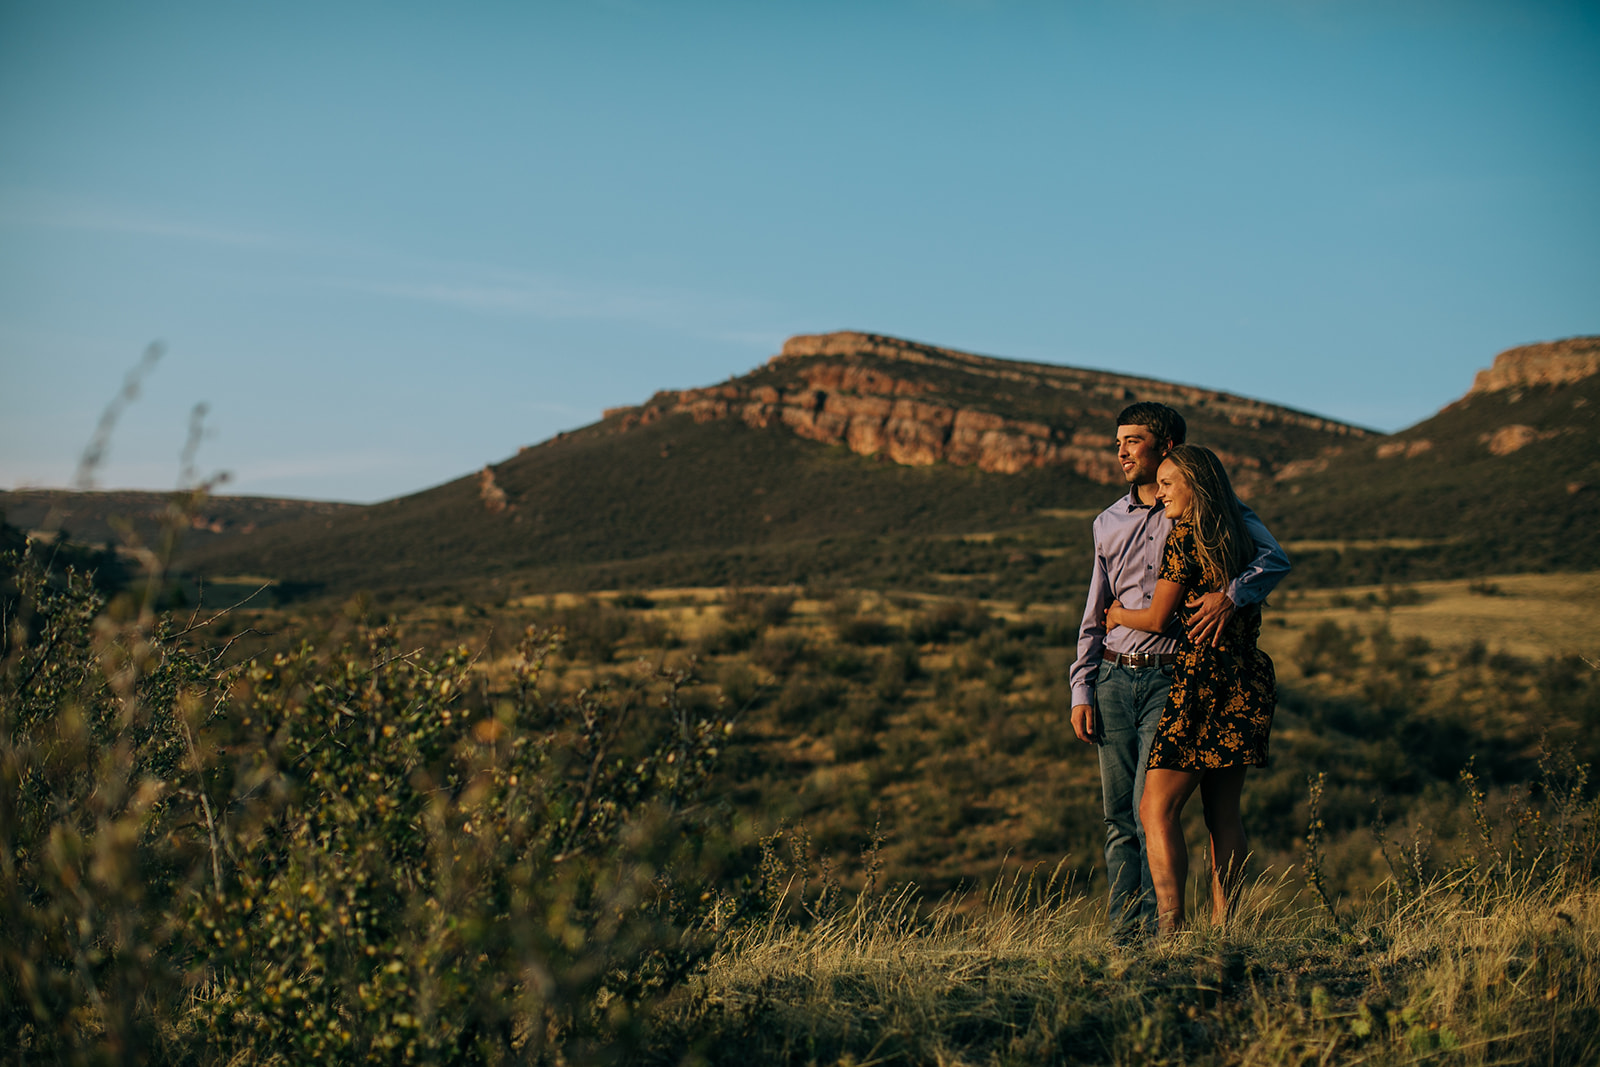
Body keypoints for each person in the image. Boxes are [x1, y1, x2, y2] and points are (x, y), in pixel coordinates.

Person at [1069, 403, 1289, 941]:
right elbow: (1093, 609)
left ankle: (1163, 935)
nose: (1120, 451)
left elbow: (1275, 559)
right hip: (1127, 676)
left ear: (1168, 449)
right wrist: (1083, 684)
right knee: (1138, 816)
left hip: (1181, 676)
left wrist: (1229, 597)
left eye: (1133, 441)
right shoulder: (1108, 522)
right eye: (1117, 440)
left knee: (1154, 810)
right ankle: (1149, 934)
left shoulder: (1207, 520)